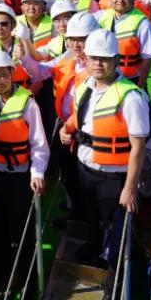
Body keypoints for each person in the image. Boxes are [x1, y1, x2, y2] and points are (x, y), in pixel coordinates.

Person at [58, 29, 149, 300]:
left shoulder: (130, 96)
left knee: (118, 237)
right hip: (87, 171)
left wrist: (130, 189)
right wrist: (66, 130)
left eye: (105, 59)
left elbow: (138, 146)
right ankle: (93, 256)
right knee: (92, 222)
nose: (98, 64)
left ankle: (113, 293)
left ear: (116, 60)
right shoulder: (84, 86)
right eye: (94, 58)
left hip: (115, 177)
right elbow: (81, 117)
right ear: (86, 58)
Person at [0, 50, 48, 290]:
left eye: (3, 76)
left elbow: (39, 144)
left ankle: (27, 281)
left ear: (12, 74)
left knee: (22, 230)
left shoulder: (29, 104)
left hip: (17, 176)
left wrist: (37, 173)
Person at [20, 11, 98, 221]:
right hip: (65, 128)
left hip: (85, 132)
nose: (76, 44)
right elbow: (40, 72)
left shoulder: (99, 67)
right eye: (72, 39)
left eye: (82, 39)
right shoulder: (67, 58)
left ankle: (88, 220)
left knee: (85, 179)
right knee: (69, 174)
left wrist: (69, 128)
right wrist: (24, 57)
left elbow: (90, 105)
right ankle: (77, 213)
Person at [97, 0, 151, 89]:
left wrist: (140, 87)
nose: (120, 0)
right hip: (107, 79)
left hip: (131, 80)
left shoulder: (142, 23)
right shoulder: (102, 16)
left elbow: (147, 58)